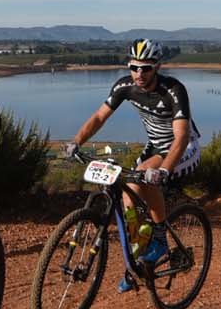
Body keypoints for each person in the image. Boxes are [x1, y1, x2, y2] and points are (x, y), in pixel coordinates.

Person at [65, 39, 200, 288]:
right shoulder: (125, 86)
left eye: (146, 68)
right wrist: (76, 142)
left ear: (157, 67)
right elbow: (98, 117)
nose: (139, 73)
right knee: (129, 197)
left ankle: (159, 237)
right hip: (154, 147)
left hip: (182, 149)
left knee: (146, 175)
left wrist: (163, 170)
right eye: (134, 67)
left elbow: (180, 137)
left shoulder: (173, 90)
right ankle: (138, 262)